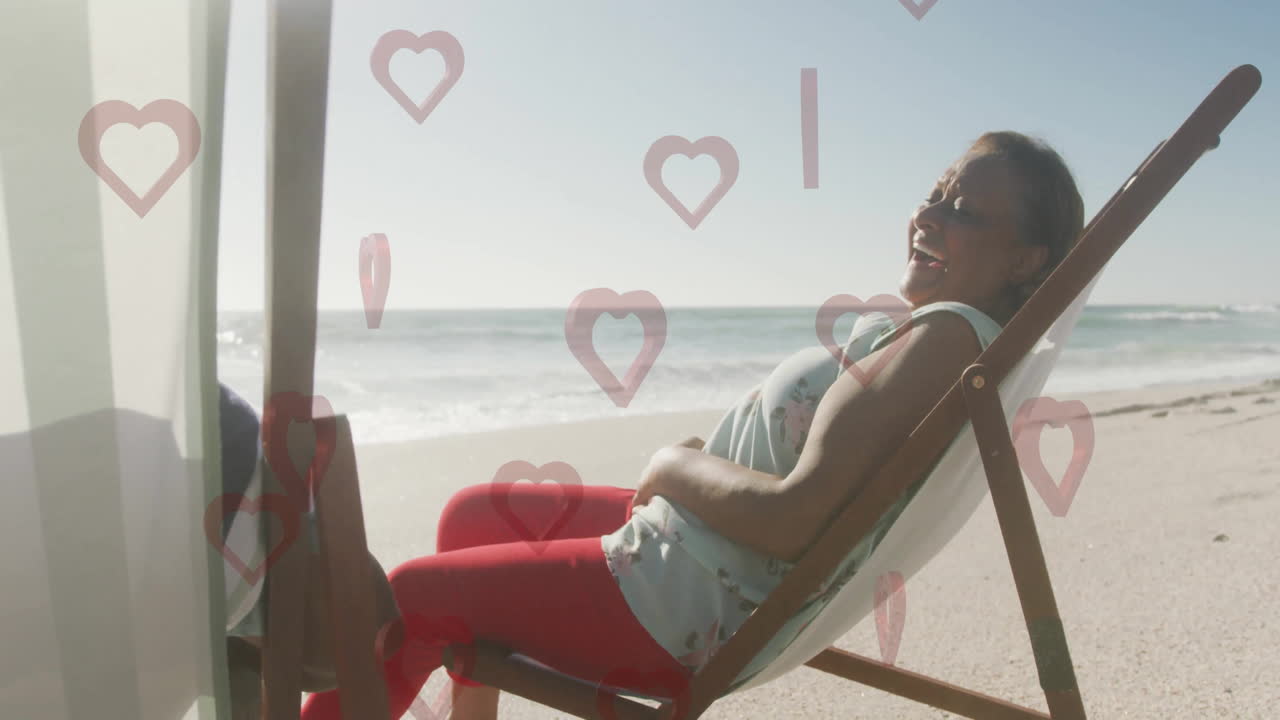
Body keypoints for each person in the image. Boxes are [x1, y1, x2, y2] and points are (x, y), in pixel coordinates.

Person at [300, 131, 1086, 720]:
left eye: (965, 210)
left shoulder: (945, 338)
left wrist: (669, 465)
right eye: (938, 191)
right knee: (472, 514)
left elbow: (793, 519)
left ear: (1025, 262)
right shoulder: (945, 337)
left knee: (401, 602)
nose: (930, 214)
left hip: (682, 601)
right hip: (697, 557)